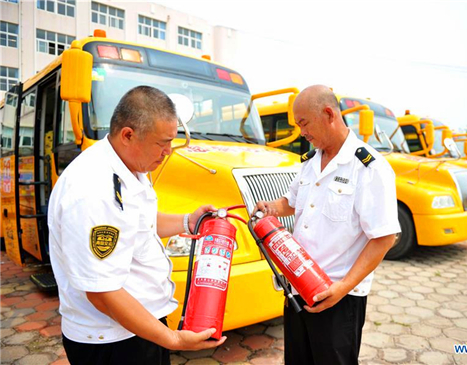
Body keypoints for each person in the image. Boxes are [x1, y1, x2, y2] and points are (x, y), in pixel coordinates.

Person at [48, 86, 225, 365]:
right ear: (128, 135)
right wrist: (174, 339)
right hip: (114, 340)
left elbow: (139, 221)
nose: (168, 152)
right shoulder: (93, 189)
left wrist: (186, 221)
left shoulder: (131, 166)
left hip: (140, 326)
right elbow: (102, 293)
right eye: (162, 143)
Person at [254, 85, 400, 365]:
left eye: (304, 123)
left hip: (337, 298)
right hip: (297, 287)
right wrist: (270, 208)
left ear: (329, 114)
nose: (302, 132)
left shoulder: (369, 167)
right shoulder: (310, 162)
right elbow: (292, 202)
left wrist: (343, 287)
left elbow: (384, 237)